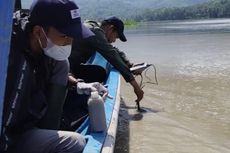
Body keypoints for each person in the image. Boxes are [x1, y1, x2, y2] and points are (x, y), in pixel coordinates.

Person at [0, 0, 106, 153]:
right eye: (64, 36)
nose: (69, 43)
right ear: (38, 32)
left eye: (72, 37)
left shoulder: (43, 47)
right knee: (75, 143)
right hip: (8, 135)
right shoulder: (9, 54)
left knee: (63, 63)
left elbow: (56, 71)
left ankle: (51, 129)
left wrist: (79, 85)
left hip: (25, 127)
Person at [69, 16, 144, 103]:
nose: (114, 40)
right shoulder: (94, 32)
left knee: (99, 72)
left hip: (71, 66)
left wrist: (130, 65)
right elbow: (112, 56)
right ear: (111, 28)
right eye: (116, 36)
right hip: (66, 69)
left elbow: (113, 50)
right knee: (99, 73)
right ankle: (74, 93)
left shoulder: (93, 27)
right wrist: (136, 86)